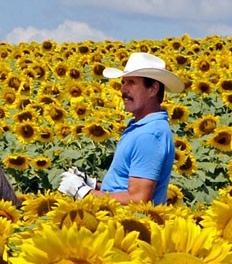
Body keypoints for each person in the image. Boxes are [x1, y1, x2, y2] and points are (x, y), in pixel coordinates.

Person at [57, 52, 184, 205]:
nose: (123, 89)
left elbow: (138, 198)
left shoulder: (149, 134)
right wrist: (93, 185)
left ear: (153, 89)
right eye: (123, 82)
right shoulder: (140, 127)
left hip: (128, 225)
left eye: (131, 82)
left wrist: (84, 192)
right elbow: (124, 186)